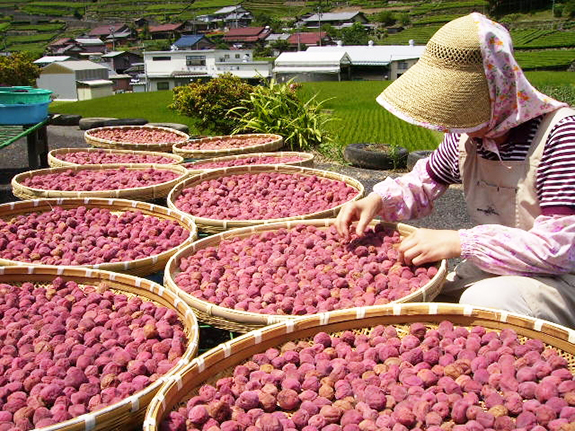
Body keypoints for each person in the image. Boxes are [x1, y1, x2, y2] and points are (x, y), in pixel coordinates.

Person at [334, 12, 575, 328]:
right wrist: (376, 201)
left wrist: (463, 242)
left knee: (483, 304)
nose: (454, 123)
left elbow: (561, 249)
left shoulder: (561, 136)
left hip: (560, 278)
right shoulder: (469, 137)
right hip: (504, 266)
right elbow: (423, 181)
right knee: (431, 298)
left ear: (499, 90)